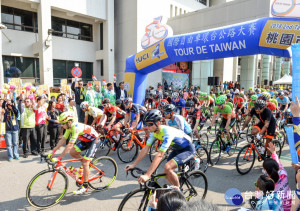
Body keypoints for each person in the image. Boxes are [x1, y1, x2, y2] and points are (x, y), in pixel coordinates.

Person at [125, 109, 195, 189]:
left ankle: (179, 193)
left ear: (158, 123)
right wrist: (133, 165)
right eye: (146, 124)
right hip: (177, 149)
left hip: (187, 149)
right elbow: (145, 149)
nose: (147, 127)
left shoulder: (167, 132)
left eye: (150, 124)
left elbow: (159, 155)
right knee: (166, 173)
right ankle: (174, 188)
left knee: (168, 167)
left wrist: (148, 175)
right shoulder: (154, 132)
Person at [48, 112, 101, 195]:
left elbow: (69, 145)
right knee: (73, 153)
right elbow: (63, 140)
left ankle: (85, 186)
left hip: (94, 141)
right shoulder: (69, 127)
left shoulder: (75, 128)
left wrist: (59, 158)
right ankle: (86, 166)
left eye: (63, 123)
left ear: (69, 122)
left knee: (84, 162)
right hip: (85, 141)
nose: (62, 125)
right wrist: (53, 152)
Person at [263, 143, 291, 211]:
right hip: (291, 205)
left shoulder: (268, 184)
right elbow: (277, 162)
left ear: (266, 171)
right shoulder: (283, 172)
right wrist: (274, 152)